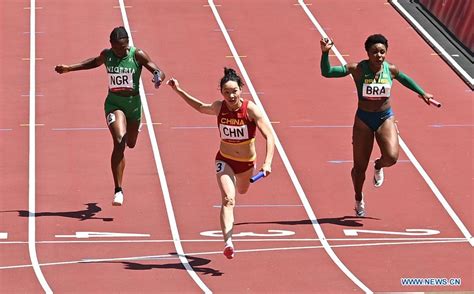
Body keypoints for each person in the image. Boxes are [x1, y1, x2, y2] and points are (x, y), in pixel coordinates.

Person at [320, 34, 434, 217]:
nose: (379, 56)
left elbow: (404, 79)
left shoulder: (391, 70)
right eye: (374, 52)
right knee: (359, 168)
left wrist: (422, 93)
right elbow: (327, 72)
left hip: (384, 117)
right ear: (367, 53)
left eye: (382, 52)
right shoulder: (357, 69)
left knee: (391, 157)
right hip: (363, 121)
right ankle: (358, 197)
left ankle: (379, 166)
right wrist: (325, 54)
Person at [167, 68, 275, 259]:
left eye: (234, 91)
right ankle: (228, 242)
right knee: (228, 199)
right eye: (226, 92)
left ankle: (229, 238)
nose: (231, 95)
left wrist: (267, 163)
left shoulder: (250, 109)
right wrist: (178, 90)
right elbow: (200, 107)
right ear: (221, 92)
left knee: (242, 191)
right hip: (224, 160)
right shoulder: (219, 107)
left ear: (241, 89)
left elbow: (269, 136)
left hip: (246, 164)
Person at [55, 26, 165, 206]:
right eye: (116, 47)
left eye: (122, 47)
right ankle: (118, 190)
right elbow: (92, 62)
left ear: (127, 44)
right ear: (111, 45)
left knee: (131, 143)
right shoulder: (107, 55)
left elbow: (157, 69)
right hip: (114, 104)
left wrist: (157, 76)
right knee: (120, 140)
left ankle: (134, 126)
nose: (119, 51)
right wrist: (69, 68)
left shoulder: (137, 55)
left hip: (133, 105)